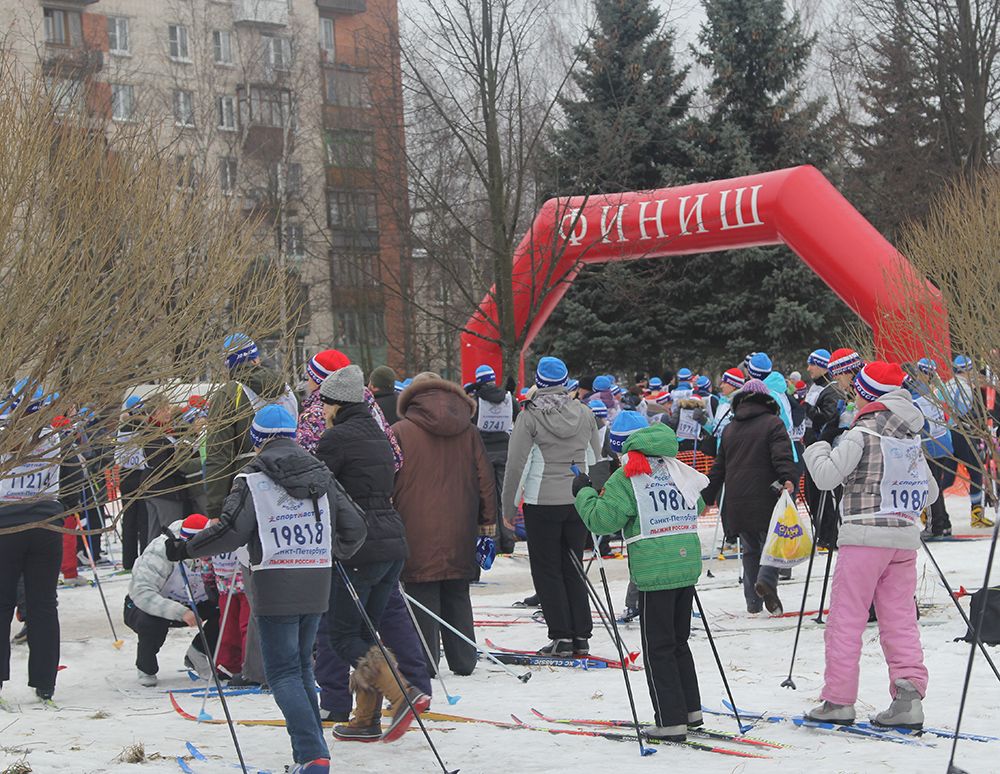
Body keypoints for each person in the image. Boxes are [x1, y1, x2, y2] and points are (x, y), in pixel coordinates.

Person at [169, 404, 367, 774]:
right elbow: (356, 525)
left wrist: (186, 548)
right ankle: (312, 752)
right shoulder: (321, 475)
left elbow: (231, 531)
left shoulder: (252, 479)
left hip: (275, 580)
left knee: (284, 673)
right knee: (301, 671)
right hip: (316, 577)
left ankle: (312, 756)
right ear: (293, 436)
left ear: (256, 439)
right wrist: (328, 550)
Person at [803, 362, 936, 729]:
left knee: (846, 619)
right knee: (900, 619)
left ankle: (838, 700)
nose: (855, 395)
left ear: (870, 394)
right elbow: (933, 491)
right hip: (904, 539)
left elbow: (828, 477)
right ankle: (908, 698)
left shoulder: (862, 432)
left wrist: (815, 449)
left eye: (860, 390)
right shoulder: (910, 436)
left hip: (864, 536)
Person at [313, 366, 428, 742]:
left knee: (343, 635)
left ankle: (402, 694)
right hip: (391, 541)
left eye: (324, 403)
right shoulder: (380, 435)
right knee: (364, 632)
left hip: (358, 546)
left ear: (335, 404)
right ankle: (365, 718)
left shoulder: (335, 440)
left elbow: (318, 490)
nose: (323, 410)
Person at [574, 423, 708, 742]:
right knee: (678, 641)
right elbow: (699, 505)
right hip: (685, 563)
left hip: (654, 571)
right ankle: (690, 711)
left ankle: (670, 720)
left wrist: (584, 492)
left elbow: (602, 520)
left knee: (657, 647)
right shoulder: (678, 468)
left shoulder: (629, 476)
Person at [393, 372, 497, 674]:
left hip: (414, 527)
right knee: (457, 593)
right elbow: (485, 480)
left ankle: (425, 663)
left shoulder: (400, 431)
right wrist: (487, 523)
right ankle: (463, 659)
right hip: (460, 527)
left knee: (420, 594)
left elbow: (390, 480)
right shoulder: (469, 432)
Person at [502, 357, 601, 655]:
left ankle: (562, 635)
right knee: (573, 565)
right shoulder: (584, 412)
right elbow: (595, 458)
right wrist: (595, 496)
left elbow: (516, 465)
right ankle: (580, 634)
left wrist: (507, 507)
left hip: (542, 501)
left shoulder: (529, 416)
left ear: (538, 381)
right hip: (578, 500)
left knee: (547, 570)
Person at [702, 379, 798, 615]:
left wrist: (707, 496)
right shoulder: (773, 423)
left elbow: (718, 467)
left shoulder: (730, 429)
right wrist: (788, 478)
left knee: (750, 549)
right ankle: (766, 581)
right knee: (773, 544)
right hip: (767, 494)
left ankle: (752, 602)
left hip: (737, 499)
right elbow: (781, 455)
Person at [0, 383, 63, 705]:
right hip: (46, 522)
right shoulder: (51, 436)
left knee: (3, 604)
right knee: (43, 604)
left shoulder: (7, 434)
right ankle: (45, 682)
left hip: (9, 522)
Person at [204, 333, 295, 520]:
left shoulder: (228, 394)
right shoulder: (286, 389)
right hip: (293, 479)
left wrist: (215, 508)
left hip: (249, 487)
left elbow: (218, 455)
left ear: (228, 365)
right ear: (257, 358)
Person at [124, 513, 219, 685]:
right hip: (150, 605)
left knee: (231, 609)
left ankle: (199, 653)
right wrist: (180, 612)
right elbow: (142, 592)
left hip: (195, 602)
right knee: (151, 621)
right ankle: (146, 667)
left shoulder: (215, 547)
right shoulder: (159, 550)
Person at [468, 364, 519, 554]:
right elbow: (519, 419)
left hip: (483, 453)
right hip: (505, 450)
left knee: (488, 499)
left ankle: (494, 541)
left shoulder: (475, 401)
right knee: (505, 498)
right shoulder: (508, 398)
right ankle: (509, 541)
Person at [944, 355, 994, 528]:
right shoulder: (963, 387)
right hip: (964, 433)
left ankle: (928, 509)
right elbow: (965, 413)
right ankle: (977, 515)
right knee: (976, 472)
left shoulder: (949, 383)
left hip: (949, 433)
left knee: (947, 477)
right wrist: (983, 418)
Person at [117, 395, 150, 569]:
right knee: (143, 519)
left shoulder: (122, 427)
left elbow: (118, 455)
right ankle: (143, 558)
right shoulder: (144, 426)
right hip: (140, 474)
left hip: (125, 474)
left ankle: (128, 560)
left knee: (129, 520)